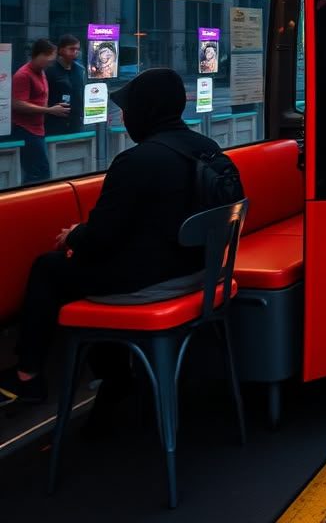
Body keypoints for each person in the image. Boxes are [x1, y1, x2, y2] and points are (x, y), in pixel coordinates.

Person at [0, 68, 221, 407]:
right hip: (204, 274)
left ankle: (29, 375)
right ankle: (115, 378)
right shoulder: (209, 149)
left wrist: (74, 236)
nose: (123, 116)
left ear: (146, 111)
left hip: (157, 284)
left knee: (50, 267)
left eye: (128, 109)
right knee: (95, 269)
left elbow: (101, 237)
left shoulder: (136, 161)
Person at [11, 39, 69, 184]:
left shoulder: (41, 72)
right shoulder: (23, 75)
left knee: (40, 172)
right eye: (49, 60)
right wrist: (49, 110)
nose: (51, 64)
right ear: (40, 55)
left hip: (38, 129)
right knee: (38, 173)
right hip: (26, 130)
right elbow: (17, 104)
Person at [45, 34, 87, 136]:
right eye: (72, 49)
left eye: (77, 49)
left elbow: (81, 92)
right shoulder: (50, 70)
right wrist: (49, 109)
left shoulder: (79, 69)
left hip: (75, 121)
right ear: (61, 50)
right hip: (55, 121)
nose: (75, 52)